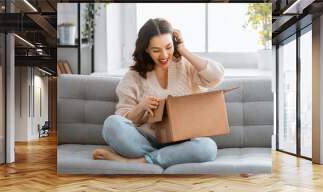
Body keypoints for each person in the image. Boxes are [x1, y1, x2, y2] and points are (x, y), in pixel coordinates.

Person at [93, 18, 225, 168]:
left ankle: (139, 161)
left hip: (184, 141)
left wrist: (183, 50)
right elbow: (123, 118)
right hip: (146, 140)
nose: (164, 55)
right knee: (112, 123)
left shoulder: (186, 66)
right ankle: (165, 157)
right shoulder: (133, 76)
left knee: (208, 148)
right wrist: (141, 107)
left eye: (169, 47)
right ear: (146, 49)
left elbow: (216, 76)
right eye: (156, 50)